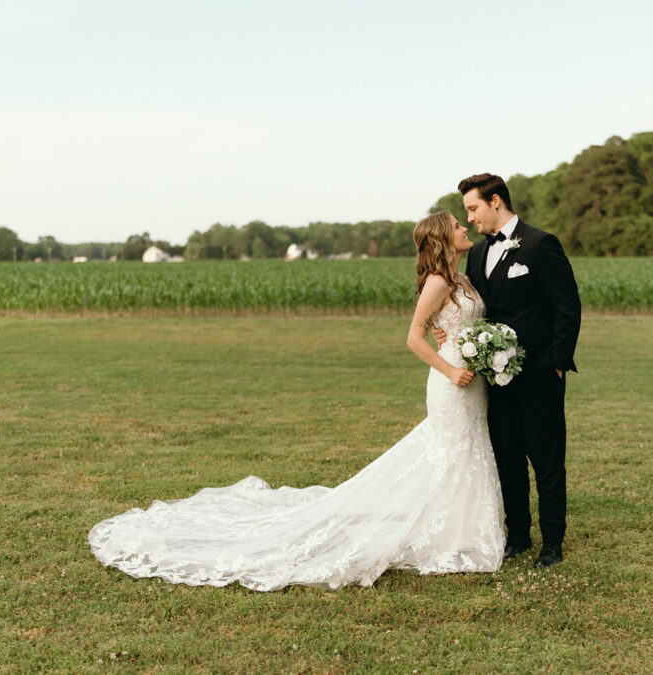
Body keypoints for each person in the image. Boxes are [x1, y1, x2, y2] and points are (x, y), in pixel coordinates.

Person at [88, 211, 503, 591]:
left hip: (470, 381)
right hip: (450, 383)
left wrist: (473, 345)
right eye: (456, 224)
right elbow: (413, 335)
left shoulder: (462, 278)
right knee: (452, 452)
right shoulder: (437, 282)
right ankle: (451, 533)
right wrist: (449, 368)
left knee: (466, 452)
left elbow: (451, 324)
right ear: (443, 237)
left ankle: (461, 529)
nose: (464, 227)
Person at [438, 173, 580, 568]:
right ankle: (517, 535)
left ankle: (552, 543)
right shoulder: (478, 254)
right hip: (495, 381)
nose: (469, 219)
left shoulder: (540, 244)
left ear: (496, 201)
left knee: (547, 461)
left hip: (539, 375)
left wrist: (556, 364)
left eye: (473, 208)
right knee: (508, 459)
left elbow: (568, 308)